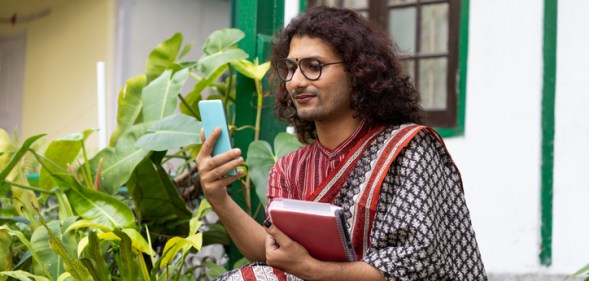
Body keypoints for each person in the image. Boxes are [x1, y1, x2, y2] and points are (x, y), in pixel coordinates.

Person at [195, 6, 487, 281]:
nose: (295, 81)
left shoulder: (407, 150)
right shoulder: (289, 168)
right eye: (291, 68)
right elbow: (274, 253)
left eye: (313, 66)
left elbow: (413, 267)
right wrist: (218, 196)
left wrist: (311, 269)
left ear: (358, 72)